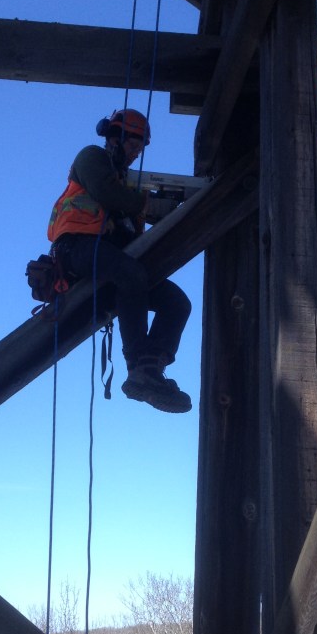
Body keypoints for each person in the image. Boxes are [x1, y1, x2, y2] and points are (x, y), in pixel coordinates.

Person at [47, 109, 192, 413]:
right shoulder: (92, 158)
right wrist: (149, 204)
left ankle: (150, 370)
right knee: (131, 274)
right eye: (131, 145)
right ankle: (137, 361)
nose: (135, 153)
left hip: (113, 261)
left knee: (177, 302)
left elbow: (131, 227)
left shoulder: (127, 185)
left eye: (139, 149)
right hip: (76, 248)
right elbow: (105, 192)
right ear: (115, 137)